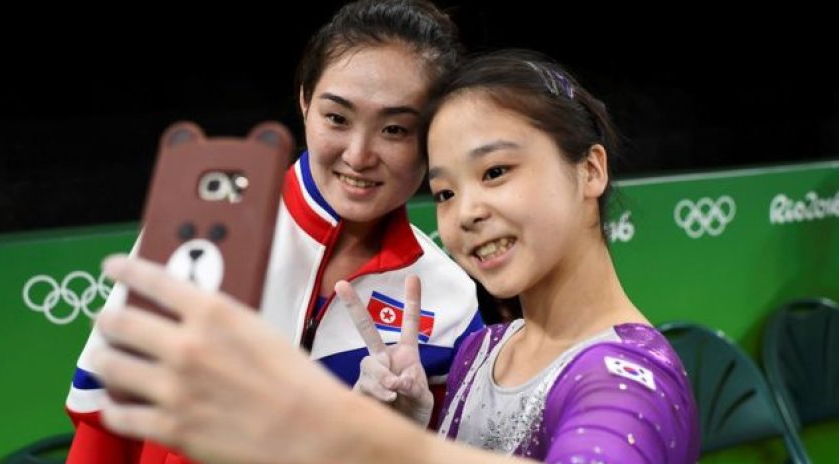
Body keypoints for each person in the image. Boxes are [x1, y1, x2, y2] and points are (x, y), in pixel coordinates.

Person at [91, 49, 699, 463]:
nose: (467, 212)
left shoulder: (627, 377)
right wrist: (405, 421)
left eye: (496, 170)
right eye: (444, 191)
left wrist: (353, 431)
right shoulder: (485, 350)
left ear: (590, 170)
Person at [64, 1, 483, 463]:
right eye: (337, 119)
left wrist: (400, 432)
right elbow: (104, 427)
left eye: (395, 129)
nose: (360, 155)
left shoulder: (450, 301)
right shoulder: (200, 230)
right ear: (305, 100)